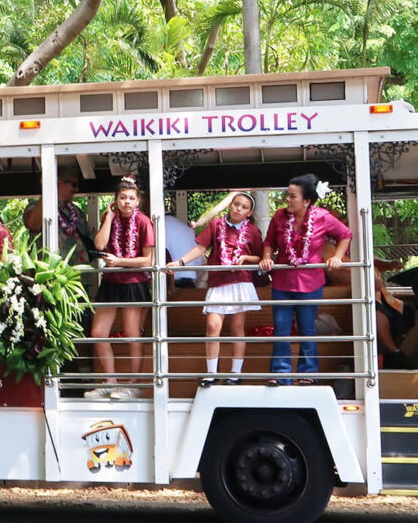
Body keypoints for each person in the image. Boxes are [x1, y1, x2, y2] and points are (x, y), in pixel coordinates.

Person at [258, 173, 352, 383]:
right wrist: (266, 258)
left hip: (311, 283)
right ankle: (280, 373)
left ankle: (307, 373)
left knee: (307, 328)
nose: (287, 200)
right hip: (282, 282)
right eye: (287, 195)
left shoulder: (322, 217)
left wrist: (337, 257)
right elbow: (269, 242)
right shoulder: (279, 217)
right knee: (281, 328)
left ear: (307, 201)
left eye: (292, 196)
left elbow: (345, 234)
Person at [166, 191, 264, 384]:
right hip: (218, 282)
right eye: (236, 204)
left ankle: (236, 374)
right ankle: (212, 372)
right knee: (212, 326)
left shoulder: (252, 231)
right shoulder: (216, 224)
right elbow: (201, 248)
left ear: (250, 213)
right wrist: (180, 262)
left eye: (244, 207)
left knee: (237, 327)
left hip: (240, 282)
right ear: (230, 205)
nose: (238, 209)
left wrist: (245, 258)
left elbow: (261, 257)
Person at [88, 177, 155, 399]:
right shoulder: (110, 217)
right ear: (115, 200)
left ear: (138, 201)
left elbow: (148, 260)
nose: (127, 202)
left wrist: (120, 262)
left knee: (132, 333)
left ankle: (134, 384)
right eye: (123, 197)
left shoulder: (144, 221)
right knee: (98, 332)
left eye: (131, 198)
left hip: (134, 283)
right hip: (111, 282)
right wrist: (108, 217)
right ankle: (109, 381)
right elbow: (99, 245)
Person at [23, 168, 92, 265]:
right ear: (58, 183)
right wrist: (47, 189)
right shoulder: (34, 207)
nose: (77, 189)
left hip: (77, 274)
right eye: (74, 184)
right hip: (48, 272)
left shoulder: (77, 212)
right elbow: (33, 224)